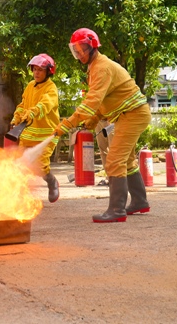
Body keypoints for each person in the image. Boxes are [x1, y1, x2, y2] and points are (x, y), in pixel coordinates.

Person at [54, 28, 151, 223]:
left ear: (92, 47)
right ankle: (140, 201)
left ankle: (116, 210)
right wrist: (93, 119)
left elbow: (91, 101)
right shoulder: (96, 67)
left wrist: (68, 123)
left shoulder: (101, 67)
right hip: (130, 114)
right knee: (127, 160)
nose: (79, 54)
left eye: (82, 50)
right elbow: (103, 100)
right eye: (76, 50)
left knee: (114, 160)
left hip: (132, 114)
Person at [11, 53, 62, 202]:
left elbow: (46, 104)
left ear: (48, 71)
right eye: (34, 69)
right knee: (21, 164)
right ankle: (20, 197)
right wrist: (17, 116)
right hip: (28, 133)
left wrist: (33, 112)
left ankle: (52, 182)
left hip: (47, 134)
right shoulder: (29, 86)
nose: (36, 73)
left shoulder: (51, 88)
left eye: (40, 70)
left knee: (40, 165)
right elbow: (23, 104)